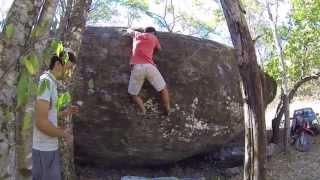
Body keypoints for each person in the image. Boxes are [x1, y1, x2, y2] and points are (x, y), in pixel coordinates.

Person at [32, 51, 78, 180]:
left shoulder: (50, 82)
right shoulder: (45, 82)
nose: (69, 73)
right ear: (58, 64)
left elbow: (45, 115)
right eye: (68, 68)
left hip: (48, 147)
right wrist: (65, 134)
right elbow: (41, 122)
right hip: (43, 149)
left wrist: (64, 113)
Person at [126, 26, 170, 115]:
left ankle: (143, 110)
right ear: (153, 33)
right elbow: (159, 49)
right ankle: (167, 108)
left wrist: (130, 29)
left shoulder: (137, 34)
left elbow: (128, 31)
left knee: (133, 94)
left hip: (137, 67)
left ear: (145, 31)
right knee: (163, 89)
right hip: (150, 66)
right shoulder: (154, 38)